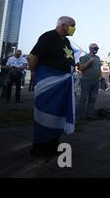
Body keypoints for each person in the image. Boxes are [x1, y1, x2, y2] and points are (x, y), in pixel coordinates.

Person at [27, 16, 76, 159]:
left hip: (63, 85)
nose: (74, 29)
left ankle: (53, 145)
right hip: (49, 84)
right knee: (46, 115)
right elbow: (32, 57)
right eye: (72, 26)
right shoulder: (48, 37)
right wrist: (34, 73)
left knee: (59, 114)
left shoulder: (66, 41)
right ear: (62, 25)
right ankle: (39, 149)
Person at [77, 43, 102, 120]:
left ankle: (89, 115)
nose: (96, 49)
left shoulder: (98, 58)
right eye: (95, 48)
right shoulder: (85, 57)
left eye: (97, 48)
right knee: (83, 98)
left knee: (93, 98)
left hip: (96, 81)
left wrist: (101, 77)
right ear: (90, 48)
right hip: (86, 80)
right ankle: (79, 116)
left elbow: (99, 68)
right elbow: (81, 68)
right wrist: (89, 62)